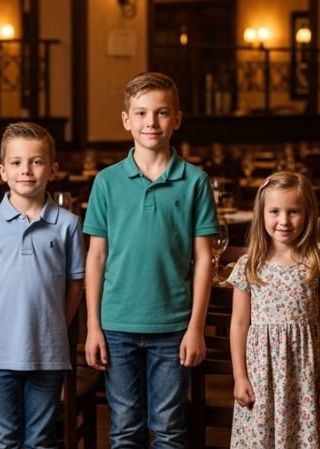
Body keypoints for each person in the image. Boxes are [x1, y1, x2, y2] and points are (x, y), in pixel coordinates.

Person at [83, 71, 219, 448]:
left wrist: (196, 327)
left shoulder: (195, 182)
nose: (150, 122)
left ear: (177, 119)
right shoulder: (107, 181)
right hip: (117, 324)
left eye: (161, 113)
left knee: (169, 428)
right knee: (124, 427)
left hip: (174, 326)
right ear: (126, 119)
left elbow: (205, 260)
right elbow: (96, 257)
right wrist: (93, 326)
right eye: (141, 113)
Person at [0, 122, 85, 448]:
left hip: (49, 352)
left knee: (41, 439)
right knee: (3, 437)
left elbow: (76, 283)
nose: (26, 171)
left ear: (53, 169)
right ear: (3, 171)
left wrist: (59, 324)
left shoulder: (68, 225)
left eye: (36, 161)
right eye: (16, 163)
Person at [228, 171, 320, 449]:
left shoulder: (318, 263)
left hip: (304, 376)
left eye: (293, 212)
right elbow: (239, 323)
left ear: (307, 214)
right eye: (275, 211)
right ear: (262, 214)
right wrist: (239, 376)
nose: (284, 221)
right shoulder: (249, 264)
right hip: (261, 376)